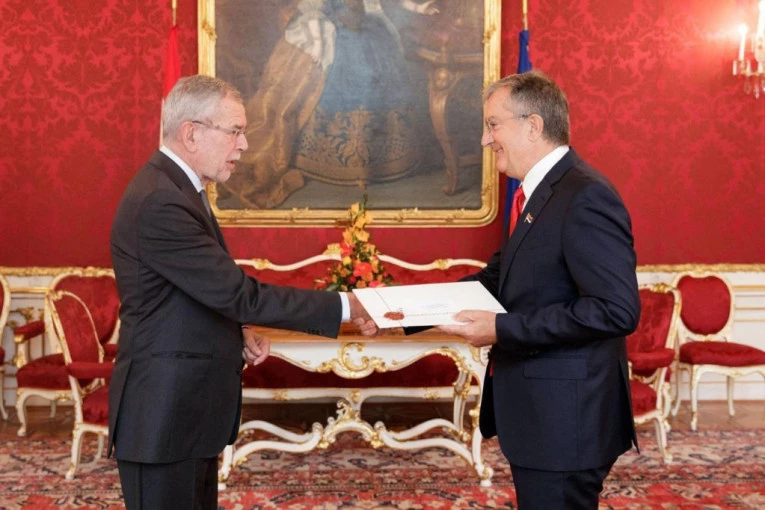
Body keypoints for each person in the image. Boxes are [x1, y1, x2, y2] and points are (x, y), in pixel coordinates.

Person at [109, 74, 376, 510]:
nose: (245, 144)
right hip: (163, 415)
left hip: (184, 413)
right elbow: (239, 293)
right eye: (235, 131)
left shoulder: (178, 190)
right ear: (191, 133)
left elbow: (194, 293)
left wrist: (237, 330)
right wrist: (347, 305)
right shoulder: (161, 200)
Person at [438, 70, 641, 509]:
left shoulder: (584, 196)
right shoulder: (539, 194)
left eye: (493, 125)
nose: (485, 139)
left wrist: (501, 329)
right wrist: (401, 309)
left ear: (533, 126)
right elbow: (498, 280)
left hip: (567, 423)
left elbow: (615, 309)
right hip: (545, 420)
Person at [220, 0, 439, 209]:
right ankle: (328, 161)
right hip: (332, 34)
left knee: (376, 77)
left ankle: (379, 163)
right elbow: (312, 8)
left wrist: (420, 7)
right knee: (349, 77)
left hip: (370, 32)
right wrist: (320, 36)